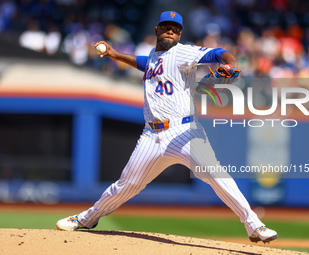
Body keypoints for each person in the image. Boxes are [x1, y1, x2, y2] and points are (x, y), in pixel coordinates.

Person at [56, 11, 278, 244]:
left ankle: (255, 225)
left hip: (184, 132)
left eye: (175, 28)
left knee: (216, 174)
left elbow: (217, 53)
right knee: (126, 184)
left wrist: (231, 63)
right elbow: (145, 63)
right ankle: (87, 219)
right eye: (166, 27)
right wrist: (115, 54)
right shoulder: (154, 55)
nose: (170, 31)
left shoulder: (183, 52)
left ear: (180, 33)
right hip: (151, 135)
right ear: (157, 30)